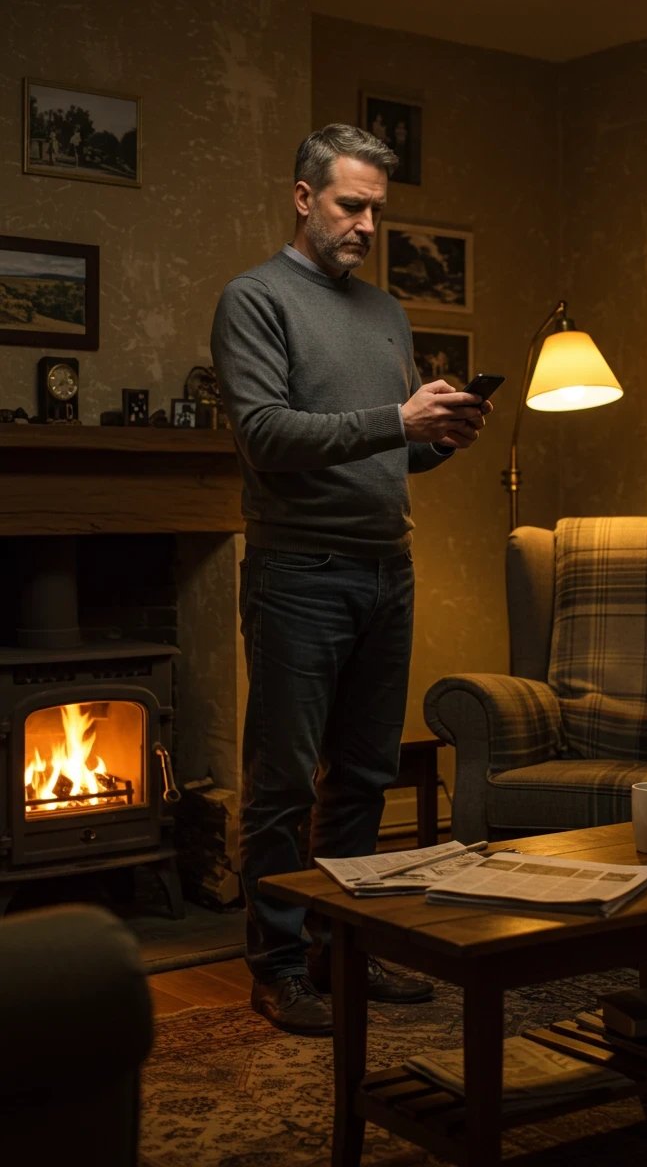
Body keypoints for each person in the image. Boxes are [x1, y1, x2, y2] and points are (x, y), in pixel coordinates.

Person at [211, 124, 491, 1036]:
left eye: (378, 209)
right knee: (285, 780)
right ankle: (280, 966)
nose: (368, 224)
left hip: (388, 569)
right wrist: (396, 417)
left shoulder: (387, 312)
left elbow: (387, 448)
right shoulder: (254, 300)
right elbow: (268, 437)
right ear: (303, 198)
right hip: (299, 573)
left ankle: (344, 953)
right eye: (351, 205)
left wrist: (436, 436)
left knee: (365, 776)